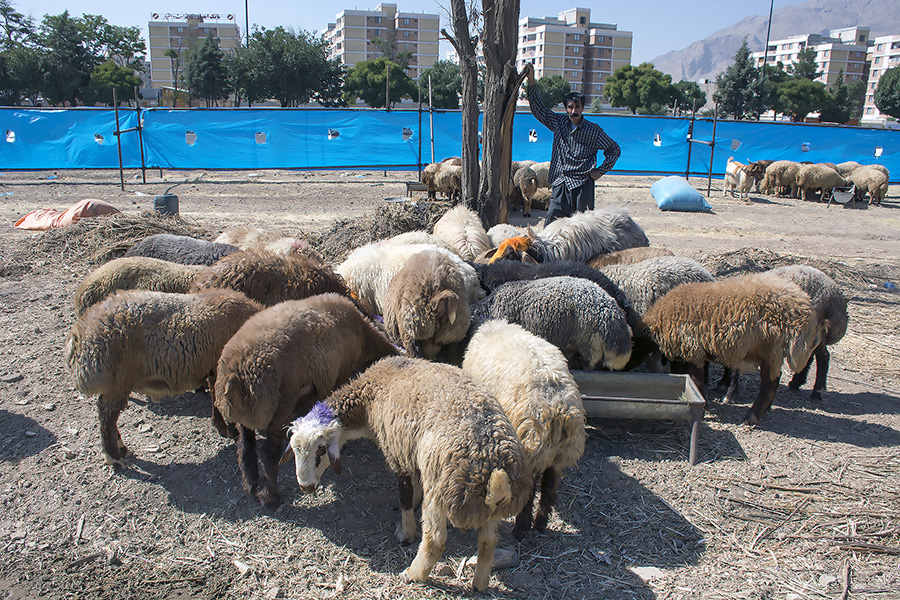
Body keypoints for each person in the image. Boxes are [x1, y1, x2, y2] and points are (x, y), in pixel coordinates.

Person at [524, 63, 620, 225]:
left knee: (581, 227)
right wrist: (532, 81)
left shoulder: (593, 131)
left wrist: (600, 171)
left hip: (583, 184)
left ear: (582, 108)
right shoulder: (558, 123)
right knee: (552, 224)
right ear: (565, 108)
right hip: (561, 181)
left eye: (577, 107)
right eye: (570, 107)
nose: (573, 111)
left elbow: (614, 149)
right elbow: (538, 110)